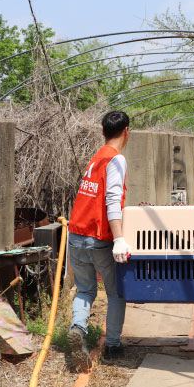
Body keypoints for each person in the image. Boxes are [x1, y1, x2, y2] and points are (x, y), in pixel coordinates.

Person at [66, 111, 132, 370]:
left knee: (85, 290)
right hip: (98, 237)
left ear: (103, 132)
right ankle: (113, 345)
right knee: (116, 292)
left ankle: (78, 329)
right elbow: (112, 200)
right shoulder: (116, 160)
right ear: (126, 131)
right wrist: (119, 239)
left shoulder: (97, 157)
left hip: (76, 234)